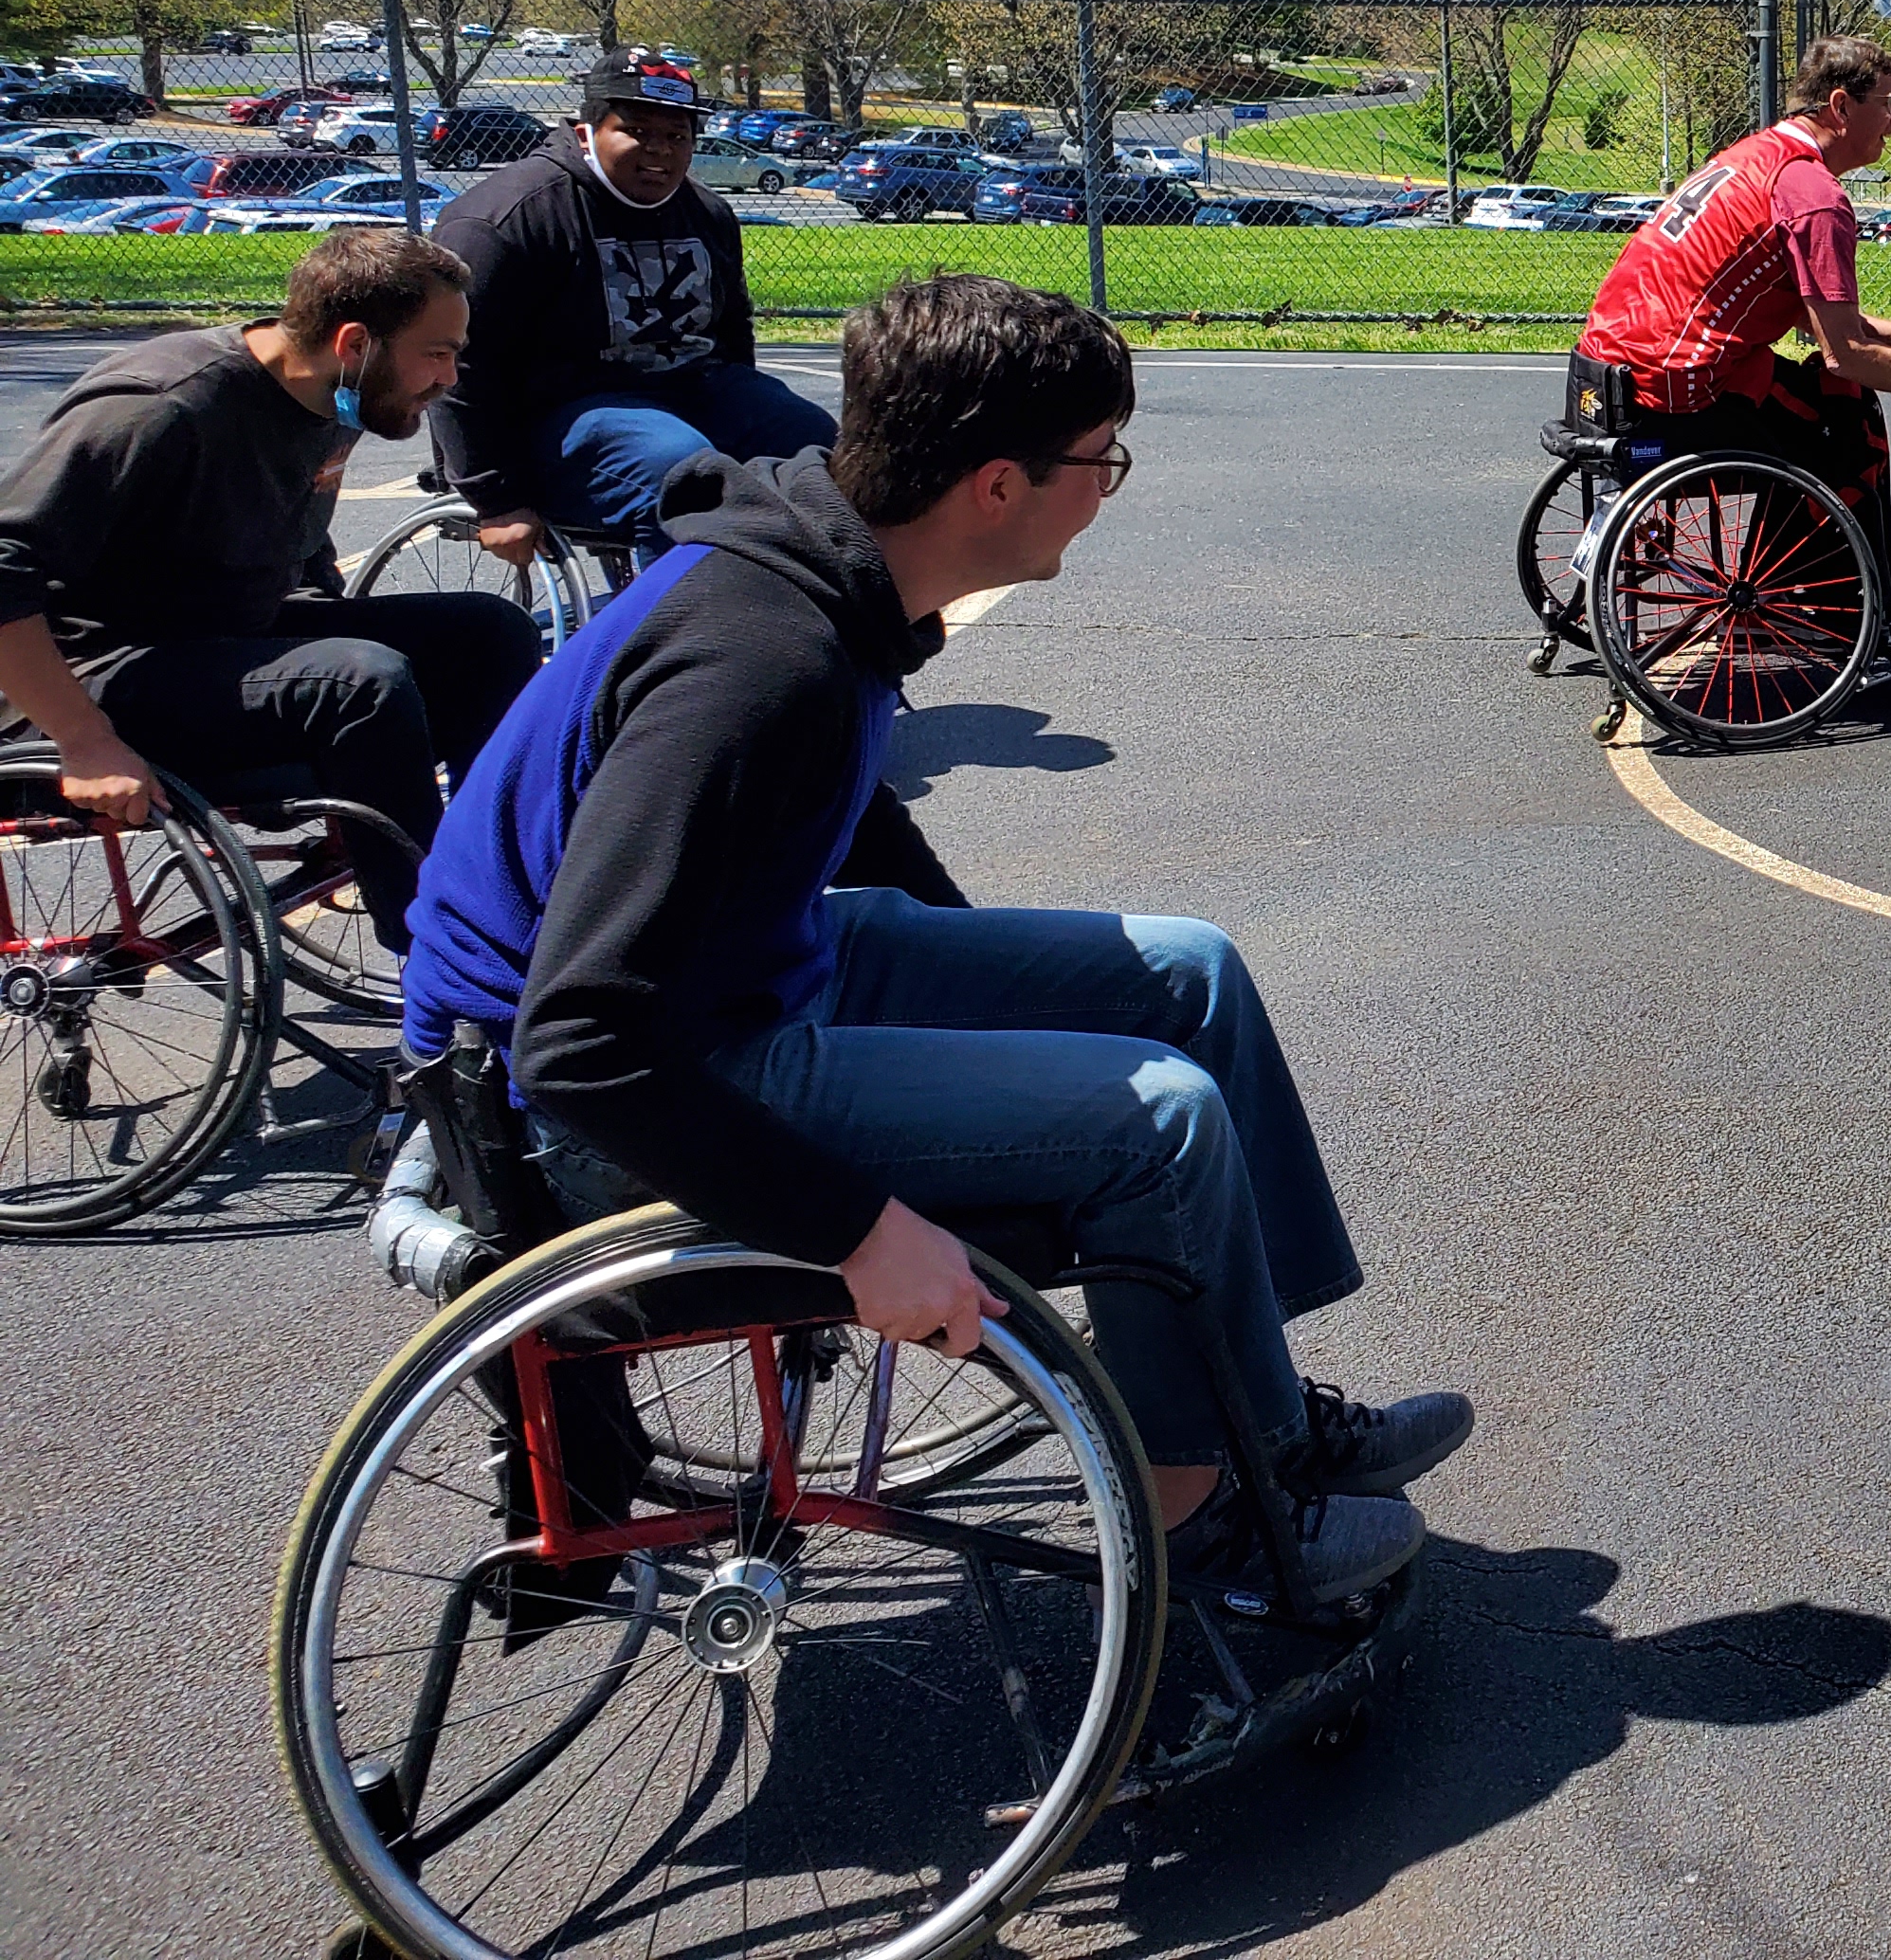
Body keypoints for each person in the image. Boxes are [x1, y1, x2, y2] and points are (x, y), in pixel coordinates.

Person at [399, 273, 1464, 1609]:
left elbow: (841, 828)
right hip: (594, 1100)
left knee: (1186, 973)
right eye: (1101, 461)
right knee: (1160, 1122)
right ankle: (1208, 1528)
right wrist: (855, 1230)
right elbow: (579, 1037)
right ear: (998, 485)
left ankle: (1256, 1413)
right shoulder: (758, 661)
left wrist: (1005, 1056)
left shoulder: (820, 571)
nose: (1108, 487)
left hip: (728, 978)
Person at [0, 227, 544, 943]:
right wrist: (84, 739)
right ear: (355, 344)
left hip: (219, 637)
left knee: (487, 634)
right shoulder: (162, 407)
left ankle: (497, 885)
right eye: (437, 355)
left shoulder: (340, 396)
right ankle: (448, 961)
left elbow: (294, 537)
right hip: (90, 678)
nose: (448, 378)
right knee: (357, 681)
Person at [1572, 34, 1891, 667]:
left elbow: (1818, 318)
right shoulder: (1816, 196)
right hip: (1673, 398)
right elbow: (1845, 354)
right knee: (1852, 422)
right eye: (1889, 103)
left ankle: (1786, 590)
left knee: (1825, 398)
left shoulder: (1757, 157)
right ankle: (1857, 624)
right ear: (1841, 107)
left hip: (1606, 375)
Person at [429, 54, 835, 563]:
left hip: (688, 394)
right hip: (558, 418)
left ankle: (809, 614)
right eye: (637, 130)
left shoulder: (706, 213)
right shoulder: (508, 218)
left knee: (817, 448)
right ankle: (682, 633)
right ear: (586, 133)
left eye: (677, 136)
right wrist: (495, 498)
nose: (659, 151)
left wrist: (750, 418)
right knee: (684, 469)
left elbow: (733, 332)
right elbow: (460, 364)